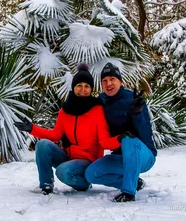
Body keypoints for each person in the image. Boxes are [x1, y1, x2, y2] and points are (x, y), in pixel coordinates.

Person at [14, 63, 120, 195]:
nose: (83, 89)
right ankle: (46, 185)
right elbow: (55, 135)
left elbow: (104, 141)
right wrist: (32, 129)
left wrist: (122, 139)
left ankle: (83, 183)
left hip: (87, 161)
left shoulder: (97, 110)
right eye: (79, 86)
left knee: (63, 171)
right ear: (73, 87)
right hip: (68, 157)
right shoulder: (66, 110)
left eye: (87, 86)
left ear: (91, 89)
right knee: (42, 145)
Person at [85, 62, 157, 202]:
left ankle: (129, 192)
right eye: (104, 81)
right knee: (91, 174)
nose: (108, 83)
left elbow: (145, 134)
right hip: (120, 156)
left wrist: (136, 114)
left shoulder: (133, 99)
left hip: (143, 155)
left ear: (121, 82)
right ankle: (135, 183)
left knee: (128, 139)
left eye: (112, 79)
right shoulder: (101, 101)